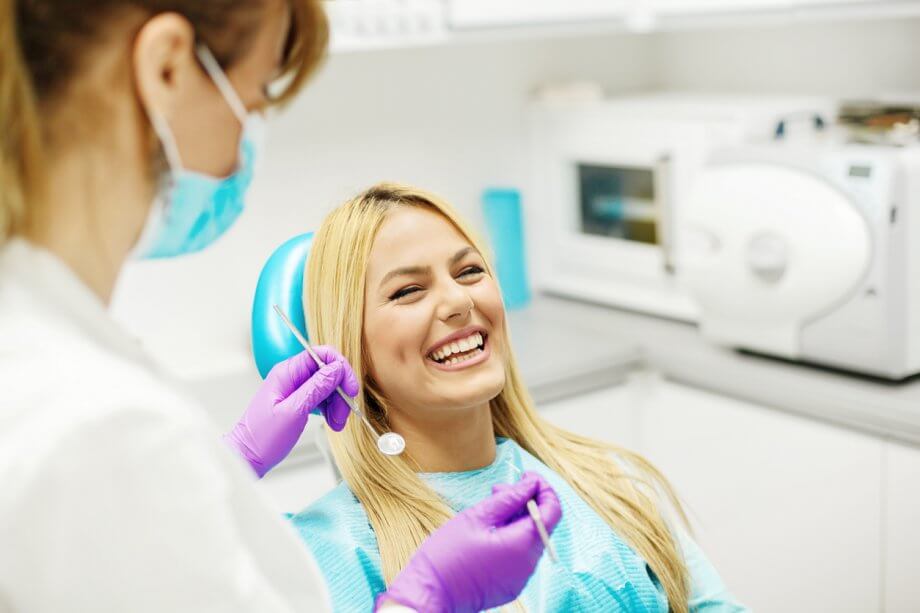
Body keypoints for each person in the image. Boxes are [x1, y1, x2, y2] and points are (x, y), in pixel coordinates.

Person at [0, 2, 559, 611]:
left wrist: (229, 461)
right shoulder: (102, 426)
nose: (248, 143)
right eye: (260, 92)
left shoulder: (48, 356)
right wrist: (424, 602)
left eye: (470, 270)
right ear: (167, 69)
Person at [288, 182, 749, 612]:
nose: (458, 301)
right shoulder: (327, 551)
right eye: (408, 291)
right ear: (352, 348)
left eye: (470, 271)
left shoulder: (606, 482)